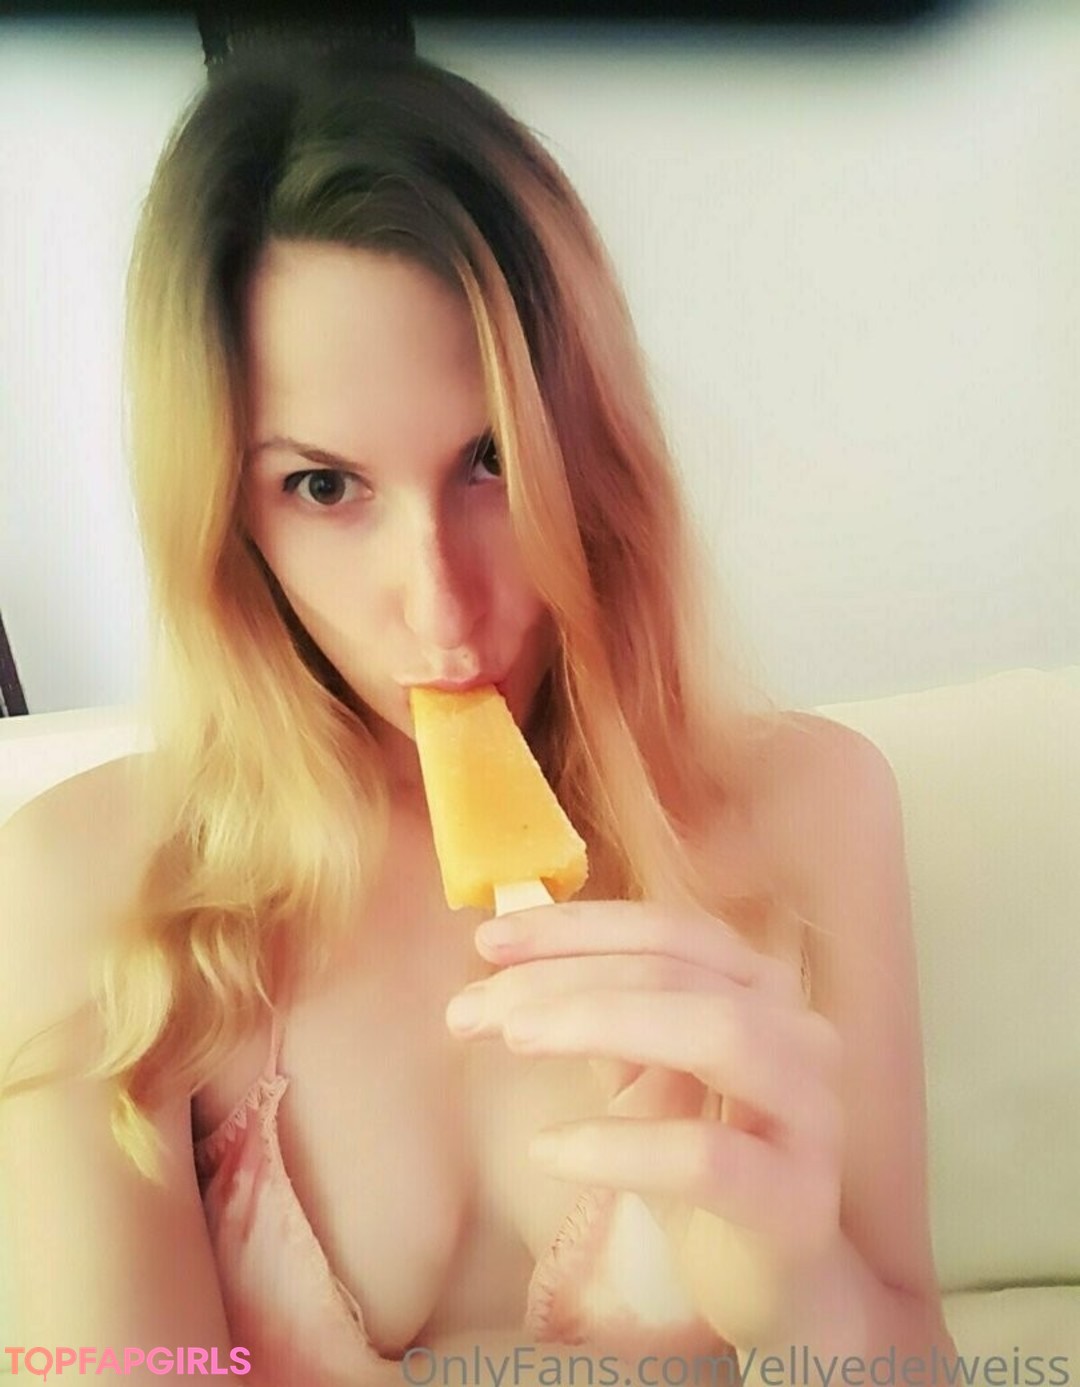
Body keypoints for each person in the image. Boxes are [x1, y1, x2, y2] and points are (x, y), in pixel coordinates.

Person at [0, 36, 957, 1387]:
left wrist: (799, 1287)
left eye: (492, 459)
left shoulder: (813, 807)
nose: (442, 610)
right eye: (325, 486)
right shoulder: (89, 883)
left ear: (593, 448)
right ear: (225, 514)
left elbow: (911, 1362)